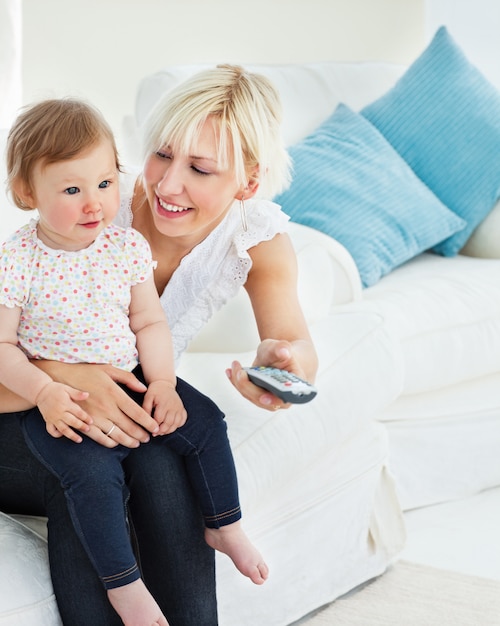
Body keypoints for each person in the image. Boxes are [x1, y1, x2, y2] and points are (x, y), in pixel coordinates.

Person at [0, 64, 318, 625]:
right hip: (21, 412)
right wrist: (63, 379)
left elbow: (293, 343)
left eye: (200, 168)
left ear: (246, 182)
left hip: (114, 397)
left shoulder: (254, 237)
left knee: (158, 455)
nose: (167, 185)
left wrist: (283, 364)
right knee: (91, 461)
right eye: (162, 155)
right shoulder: (82, 211)